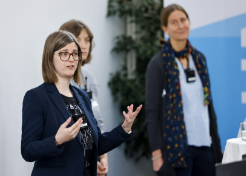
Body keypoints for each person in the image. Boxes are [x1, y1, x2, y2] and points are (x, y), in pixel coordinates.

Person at [21, 30, 142, 176]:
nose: (71, 59)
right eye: (64, 53)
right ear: (50, 57)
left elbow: (96, 144)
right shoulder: (36, 97)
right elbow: (27, 150)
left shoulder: (83, 96)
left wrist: (125, 127)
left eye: (74, 53)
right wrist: (57, 140)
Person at [145, 4, 222, 176]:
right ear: (165, 28)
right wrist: (156, 155)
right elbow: (152, 112)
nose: (181, 26)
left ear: (189, 22)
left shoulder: (200, 59)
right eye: (174, 22)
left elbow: (208, 105)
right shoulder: (158, 64)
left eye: (183, 20)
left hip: (205, 145)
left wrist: (216, 146)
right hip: (177, 150)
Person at [59, 20, 108, 176]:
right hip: (69, 161)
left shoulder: (89, 78)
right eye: (78, 39)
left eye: (87, 40)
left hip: (92, 160)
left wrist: (103, 157)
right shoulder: (60, 80)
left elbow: (97, 119)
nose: (84, 45)